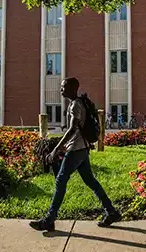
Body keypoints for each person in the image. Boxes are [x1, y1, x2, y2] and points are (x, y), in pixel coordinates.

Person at [30, 77, 121, 232]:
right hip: (83, 148)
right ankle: (111, 212)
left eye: (63, 87)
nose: (61, 90)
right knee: (91, 181)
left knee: (60, 181)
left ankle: (49, 220)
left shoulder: (75, 105)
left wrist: (56, 149)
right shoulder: (80, 103)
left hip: (76, 149)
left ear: (73, 88)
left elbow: (73, 129)